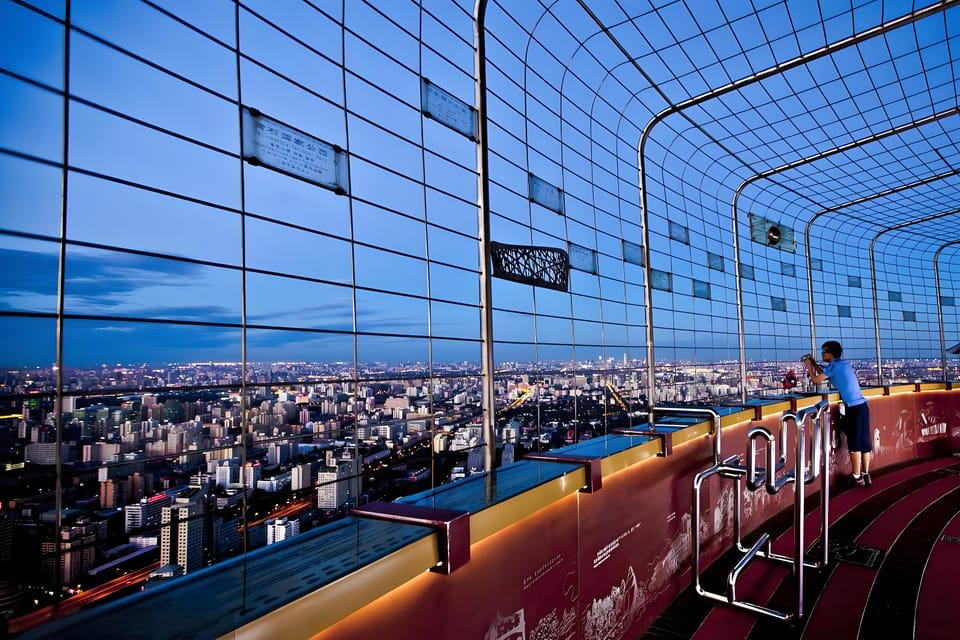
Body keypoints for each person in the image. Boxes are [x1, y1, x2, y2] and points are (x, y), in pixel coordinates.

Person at [801, 341, 872, 487]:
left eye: (823, 352)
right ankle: (865, 474)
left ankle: (857, 477)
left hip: (854, 409)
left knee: (855, 445)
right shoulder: (842, 364)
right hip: (863, 407)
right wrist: (814, 363)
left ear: (829, 353)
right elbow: (825, 372)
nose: (821, 354)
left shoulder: (833, 366)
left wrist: (808, 364)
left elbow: (816, 379)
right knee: (864, 443)